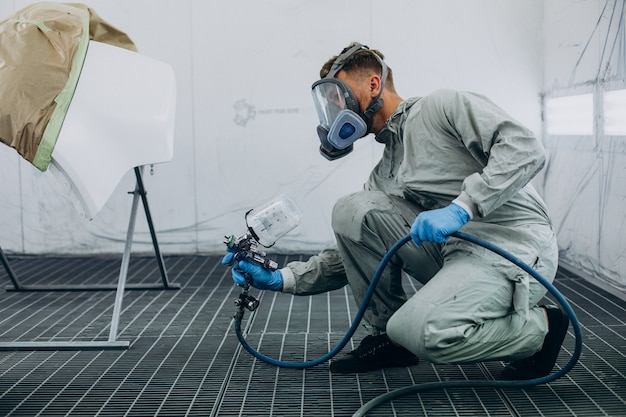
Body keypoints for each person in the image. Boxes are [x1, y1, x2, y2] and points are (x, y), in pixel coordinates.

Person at [223, 42, 569, 378]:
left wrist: (464, 206)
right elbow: (352, 248)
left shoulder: (441, 107)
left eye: (339, 98)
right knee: (353, 210)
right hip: (456, 253)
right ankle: (387, 340)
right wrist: (284, 277)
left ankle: (541, 329)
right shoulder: (386, 171)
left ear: (373, 84)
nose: (333, 115)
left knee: (423, 333)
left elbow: (525, 148)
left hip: (513, 247)